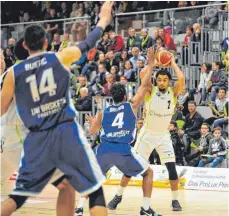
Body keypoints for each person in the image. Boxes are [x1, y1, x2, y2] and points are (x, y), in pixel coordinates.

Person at [0, 2, 114, 216]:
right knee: (94, 190)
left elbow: (1, 109)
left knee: (25, 195)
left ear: (25, 45)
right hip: (64, 133)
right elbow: (90, 41)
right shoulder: (59, 58)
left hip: (35, 139)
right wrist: (104, 17)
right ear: (46, 41)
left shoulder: (14, 74)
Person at [76, 48, 162, 216]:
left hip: (104, 149)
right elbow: (144, 85)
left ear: (111, 96)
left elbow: (93, 132)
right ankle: (145, 209)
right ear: (124, 96)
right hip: (123, 150)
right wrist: (150, 64)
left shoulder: (103, 111)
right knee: (148, 173)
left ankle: (79, 208)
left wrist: (94, 123)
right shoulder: (131, 105)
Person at [108, 54, 185, 212]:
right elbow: (144, 74)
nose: (162, 82)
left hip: (163, 136)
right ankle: (118, 195)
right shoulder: (150, 90)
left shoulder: (173, 92)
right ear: (156, 80)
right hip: (147, 135)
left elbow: (181, 79)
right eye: (160, 79)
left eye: (165, 80)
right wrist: (154, 63)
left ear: (169, 81)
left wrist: (173, 64)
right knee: (130, 168)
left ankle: (175, 200)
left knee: (172, 168)